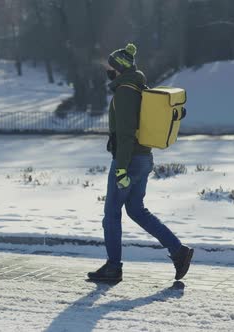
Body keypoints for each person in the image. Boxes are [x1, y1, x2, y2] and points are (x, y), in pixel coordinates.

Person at [87, 43, 193, 282]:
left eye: (110, 67)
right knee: (136, 210)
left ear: (119, 69)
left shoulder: (125, 91)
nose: (108, 71)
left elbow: (125, 133)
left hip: (130, 160)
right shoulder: (139, 86)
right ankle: (179, 251)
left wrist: (122, 168)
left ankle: (113, 267)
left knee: (111, 214)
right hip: (144, 157)